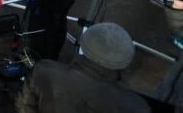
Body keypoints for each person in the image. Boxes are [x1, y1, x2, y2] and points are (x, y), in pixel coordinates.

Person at [17, 23, 149, 113]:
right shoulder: (136, 106)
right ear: (125, 62)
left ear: (84, 45)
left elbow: (24, 107)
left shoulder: (43, 70)